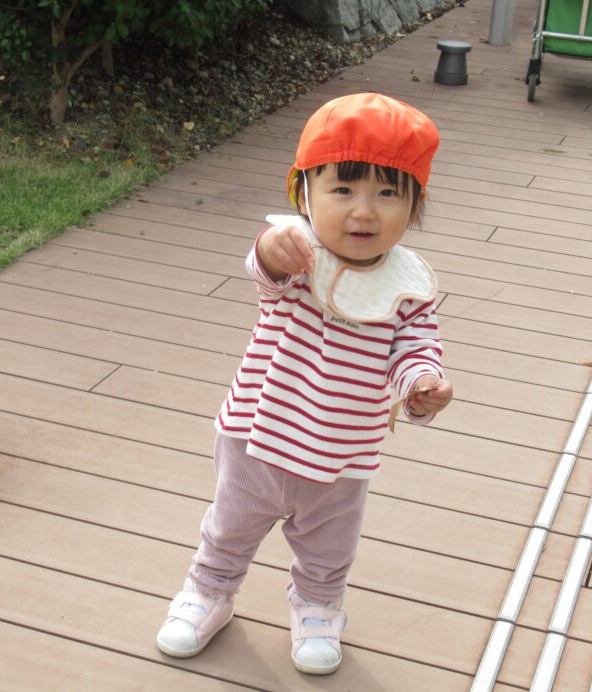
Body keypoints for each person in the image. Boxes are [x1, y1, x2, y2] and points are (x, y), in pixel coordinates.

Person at [155, 92, 453, 675]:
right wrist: (271, 249)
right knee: (229, 528)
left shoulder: (409, 289)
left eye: (387, 194)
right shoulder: (297, 257)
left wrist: (423, 384)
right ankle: (209, 592)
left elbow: (414, 350)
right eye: (342, 190)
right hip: (256, 437)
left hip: (343, 454)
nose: (363, 212)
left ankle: (317, 606)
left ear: (415, 205)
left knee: (329, 547)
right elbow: (263, 273)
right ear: (303, 193)